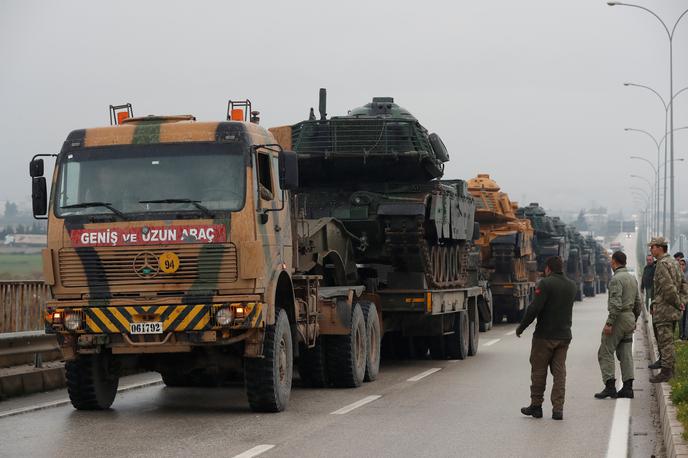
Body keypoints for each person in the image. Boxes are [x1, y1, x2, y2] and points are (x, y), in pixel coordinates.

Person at [516, 256, 578, 421]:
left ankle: (536, 406)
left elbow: (534, 308)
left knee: (539, 371)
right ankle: (558, 409)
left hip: (544, 336)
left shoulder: (545, 283)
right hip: (564, 336)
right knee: (559, 373)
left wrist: (521, 327)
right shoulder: (572, 285)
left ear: (548, 269)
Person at [594, 251, 642, 399]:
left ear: (614, 262)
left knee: (605, 350)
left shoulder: (616, 279)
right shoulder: (632, 278)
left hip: (619, 318)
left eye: (611, 261)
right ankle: (628, 387)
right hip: (629, 317)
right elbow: (638, 303)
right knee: (625, 352)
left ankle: (610, 386)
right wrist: (634, 319)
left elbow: (615, 303)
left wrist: (609, 323)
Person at [649, 237, 686, 383]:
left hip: (665, 309)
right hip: (673, 309)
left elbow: (668, 288)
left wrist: (678, 303)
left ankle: (666, 372)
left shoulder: (662, 264)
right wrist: (682, 302)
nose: (651, 250)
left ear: (660, 247)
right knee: (669, 341)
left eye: (652, 247)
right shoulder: (674, 263)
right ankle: (672, 371)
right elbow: (684, 284)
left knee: (665, 342)